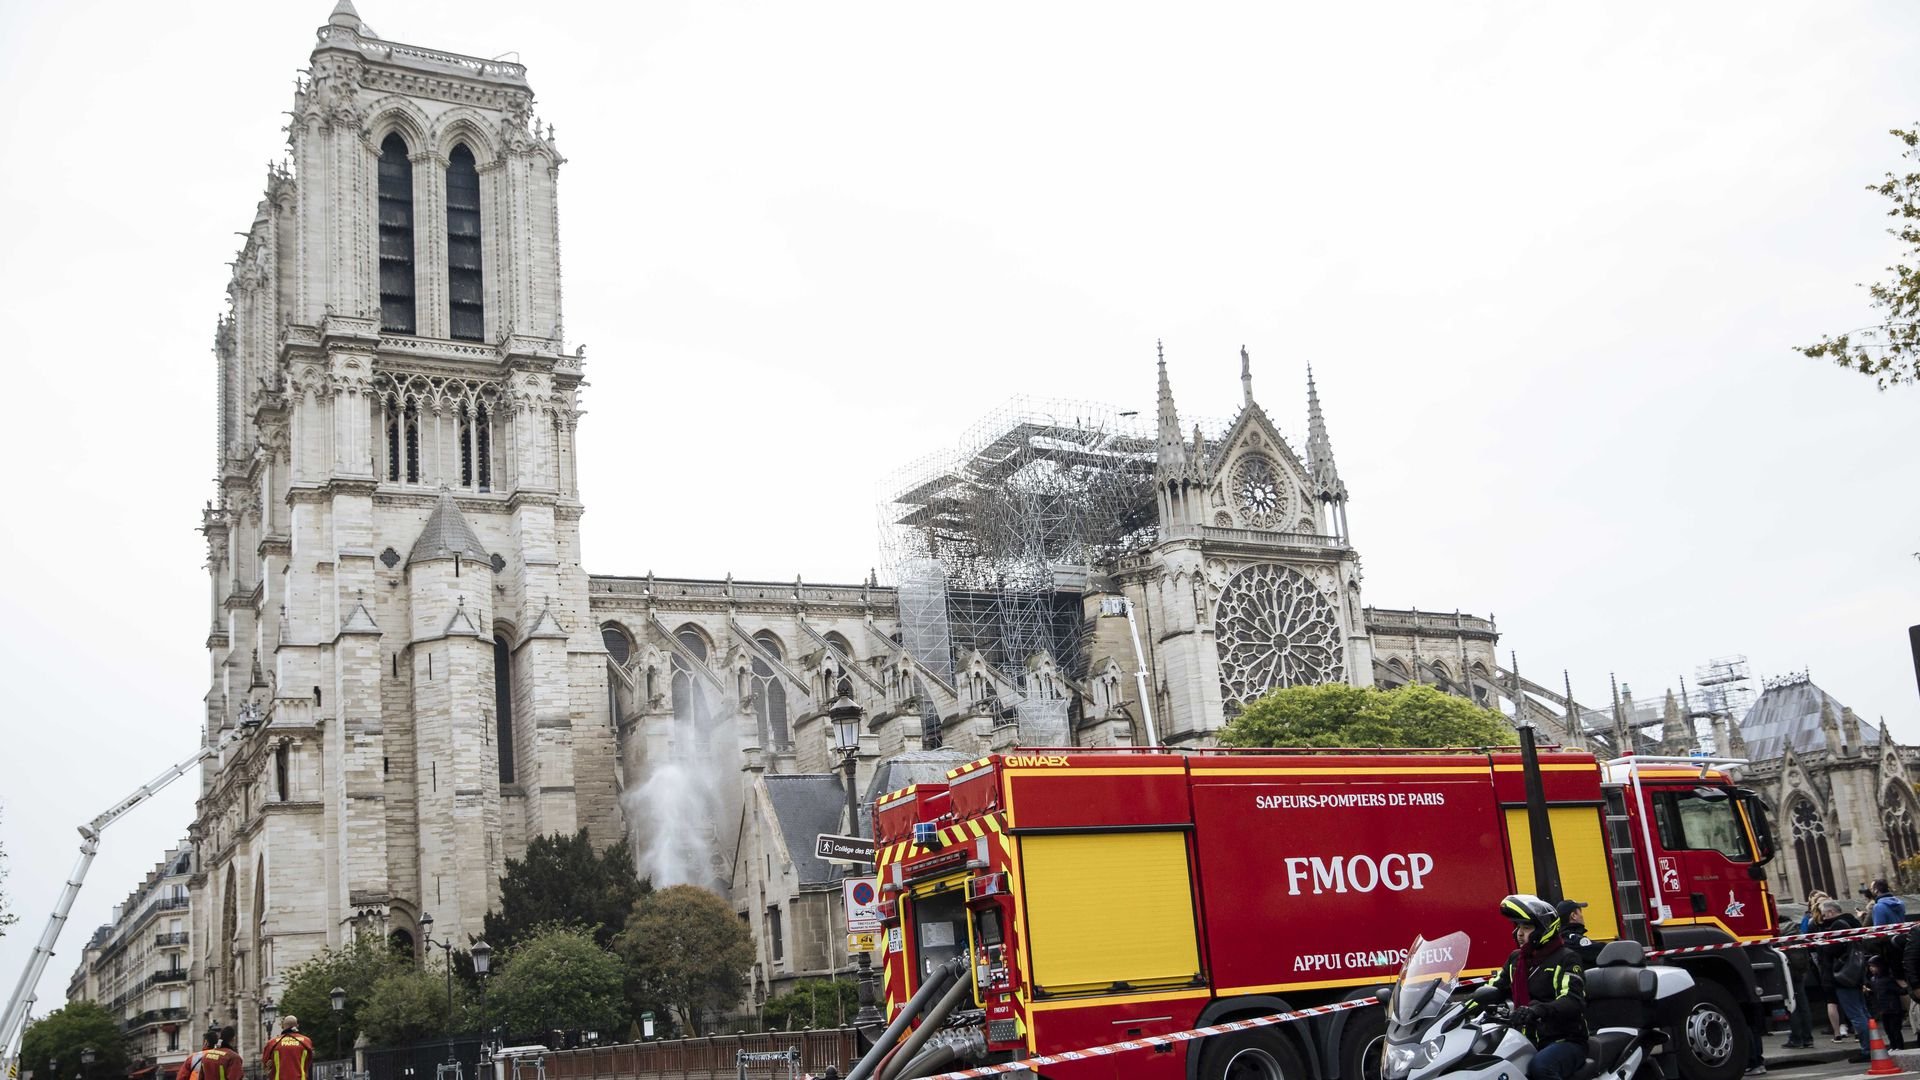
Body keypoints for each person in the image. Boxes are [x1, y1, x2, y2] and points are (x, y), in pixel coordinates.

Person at [1473, 894, 1588, 1080]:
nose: (1519, 933)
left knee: (1541, 1067)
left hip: (1564, 1039)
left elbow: (1572, 1001)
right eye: (1518, 926)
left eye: (1526, 927)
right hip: (1524, 1036)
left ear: (1545, 929)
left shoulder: (1567, 958)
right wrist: (1456, 1011)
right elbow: (1493, 988)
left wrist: (1536, 1010)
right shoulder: (1517, 959)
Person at [1818, 899, 1873, 1062]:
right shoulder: (1852, 922)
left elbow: (1832, 950)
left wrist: (1823, 945)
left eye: (1824, 914)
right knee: (1862, 1011)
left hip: (1843, 976)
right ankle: (1873, 1044)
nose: (1822, 918)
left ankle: (1867, 1049)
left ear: (1831, 912)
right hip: (1855, 973)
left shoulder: (1837, 926)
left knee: (1856, 1014)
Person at [1868, 956, 1906, 1051]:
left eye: (1874, 966)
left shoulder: (1888, 979)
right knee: (1888, 1030)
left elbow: (1899, 991)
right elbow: (1876, 993)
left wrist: (1906, 988)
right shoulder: (1873, 980)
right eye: (1870, 966)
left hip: (1893, 1009)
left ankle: (1899, 1046)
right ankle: (1893, 1046)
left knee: (1895, 1030)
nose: (1871, 968)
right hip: (1883, 1009)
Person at [264, 1014, 315, 1080]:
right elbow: (309, 1064)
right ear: (297, 1026)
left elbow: (266, 1066)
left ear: (282, 1026)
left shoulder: (272, 1043)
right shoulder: (306, 1041)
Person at [1556, 900, 1601, 968]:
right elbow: (1602, 951)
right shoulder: (1573, 940)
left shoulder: (1559, 938)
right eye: (1580, 912)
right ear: (1573, 916)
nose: (1582, 916)